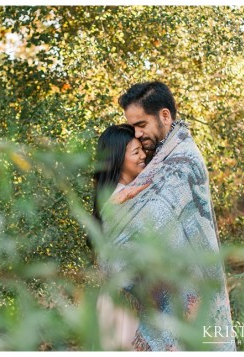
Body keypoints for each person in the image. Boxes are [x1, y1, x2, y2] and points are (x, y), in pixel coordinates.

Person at [98, 81, 235, 351]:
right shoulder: (163, 156)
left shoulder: (182, 161)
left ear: (164, 116)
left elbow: (153, 220)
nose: (136, 134)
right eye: (133, 126)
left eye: (141, 125)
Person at [92, 124, 146, 350]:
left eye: (142, 149)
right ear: (117, 160)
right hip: (123, 302)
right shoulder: (117, 201)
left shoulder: (125, 193)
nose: (144, 155)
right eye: (136, 152)